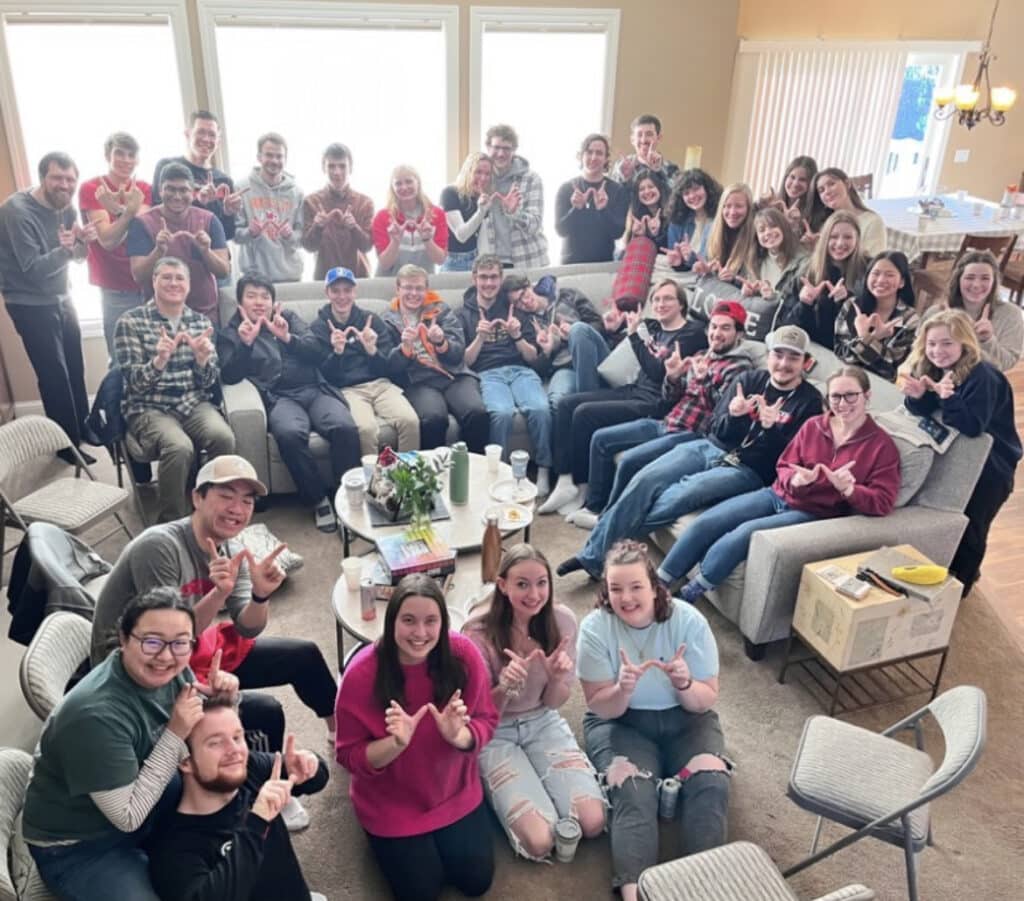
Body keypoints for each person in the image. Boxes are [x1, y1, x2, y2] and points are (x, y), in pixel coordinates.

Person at [91, 454, 339, 829]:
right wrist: (219, 593)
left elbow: (248, 628)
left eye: (247, 500)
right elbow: (169, 638)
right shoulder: (159, 547)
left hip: (189, 649)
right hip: (139, 669)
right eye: (226, 496)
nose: (237, 509)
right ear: (197, 497)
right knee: (265, 712)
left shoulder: (230, 547)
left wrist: (260, 595)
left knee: (303, 656)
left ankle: (340, 735)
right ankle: (266, 791)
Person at [23, 588, 238, 901]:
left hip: (144, 788)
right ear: (123, 639)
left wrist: (225, 701)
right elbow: (128, 817)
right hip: (81, 845)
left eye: (180, 642)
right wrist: (175, 733)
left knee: (236, 802)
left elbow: (199, 732)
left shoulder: (170, 671)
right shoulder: (92, 717)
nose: (166, 657)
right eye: (151, 641)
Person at [560, 324, 822, 578]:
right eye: (778, 354)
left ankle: (599, 551)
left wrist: (770, 428)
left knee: (676, 496)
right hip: (709, 446)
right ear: (769, 355)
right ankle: (593, 556)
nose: (784, 364)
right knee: (645, 479)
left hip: (748, 470)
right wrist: (735, 416)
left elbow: (788, 461)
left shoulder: (809, 402)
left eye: (793, 357)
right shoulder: (749, 380)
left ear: (805, 362)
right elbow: (716, 428)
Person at [578, 540, 731, 901]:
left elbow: (706, 699)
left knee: (711, 782)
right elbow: (600, 706)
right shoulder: (595, 629)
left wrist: (685, 684)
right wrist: (622, 690)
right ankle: (634, 894)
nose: (626, 598)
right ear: (605, 591)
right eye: (616, 588)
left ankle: (703, 891)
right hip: (620, 722)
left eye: (636, 587)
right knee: (632, 790)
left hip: (686, 717)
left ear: (653, 587)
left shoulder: (688, 621)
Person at [661, 365, 900, 596]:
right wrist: (795, 479)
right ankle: (660, 582)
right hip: (777, 493)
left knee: (741, 535)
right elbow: (784, 464)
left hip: (813, 512)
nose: (843, 404)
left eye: (851, 396)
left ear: (867, 395)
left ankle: (691, 592)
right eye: (836, 397)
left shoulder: (882, 446)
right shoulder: (814, 425)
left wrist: (849, 489)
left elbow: (883, 502)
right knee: (706, 522)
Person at [335, 573, 499, 901]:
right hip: (391, 803)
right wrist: (394, 744)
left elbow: (487, 719)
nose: (420, 633)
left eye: (431, 621)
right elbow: (348, 755)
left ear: (443, 622)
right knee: (421, 893)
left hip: (454, 790)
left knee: (477, 881)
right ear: (392, 621)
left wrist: (460, 736)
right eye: (409, 620)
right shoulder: (361, 674)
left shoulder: (463, 654)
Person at [554, 300, 758, 534]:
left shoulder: (741, 369)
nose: (716, 333)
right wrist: (672, 377)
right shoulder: (701, 355)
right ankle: (593, 506)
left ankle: (606, 519)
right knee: (600, 439)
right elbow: (671, 398)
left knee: (630, 461)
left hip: (690, 434)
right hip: (666, 421)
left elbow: (720, 415)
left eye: (725, 328)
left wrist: (706, 381)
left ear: (739, 334)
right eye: (713, 327)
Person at [462, 544, 605, 860]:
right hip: (495, 730)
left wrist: (555, 678)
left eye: (542, 583)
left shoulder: (563, 621)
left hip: (543, 720)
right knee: (539, 841)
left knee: (592, 821)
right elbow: (478, 714)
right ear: (503, 585)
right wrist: (504, 687)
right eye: (522, 584)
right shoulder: (476, 632)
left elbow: (554, 703)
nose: (534, 594)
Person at [539, 279, 708, 516]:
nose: (661, 304)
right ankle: (565, 481)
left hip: (656, 402)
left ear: (681, 304)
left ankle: (584, 489)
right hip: (634, 389)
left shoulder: (691, 333)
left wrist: (635, 335)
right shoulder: (653, 326)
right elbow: (628, 351)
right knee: (566, 404)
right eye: (656, 299)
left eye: (668, 299)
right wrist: (617, 329)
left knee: (584, 413)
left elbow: (657, 372)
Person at [217, 272, 360, 532]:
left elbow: (317, 351)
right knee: (290, 434)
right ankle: (318, 500)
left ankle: (346, 497)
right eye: (251, 296)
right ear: (240, 303)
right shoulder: (232, 332)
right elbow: (229, 375)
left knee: (345, 427)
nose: (259, 302)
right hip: (279, 397)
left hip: (314, 389)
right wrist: (245, 345)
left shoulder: (289, 318)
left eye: (265, 297)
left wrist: (287, 338)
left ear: (272, 301)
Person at [147, 699, 329, 901]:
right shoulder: (174, 847)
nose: (234, 750)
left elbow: (317, 781)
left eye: (237, 737)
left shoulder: (248, 769)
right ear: (184, 761)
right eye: (215, 743)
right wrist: (257, 821)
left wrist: (310, 765)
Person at [900, 309, 1021, 595]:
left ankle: (961, 592)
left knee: (971, 528)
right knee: (952, 525)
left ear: (964, 343)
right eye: (932, 344)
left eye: (947, 343)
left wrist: (948, 397)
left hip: (991, 468)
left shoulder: (984, 376)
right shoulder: (934, 368)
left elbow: (972, 426)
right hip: (959, 462)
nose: (937, 351)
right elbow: (927, 410)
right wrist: (918, 397)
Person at [114, 255, 234, 521]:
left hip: (192, 402)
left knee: (223, 437)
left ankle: (210, 507)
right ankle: (173, 523)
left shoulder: (201, 323)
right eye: (166, 277)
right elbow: (134, 385)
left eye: (180, 278)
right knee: (179, 447)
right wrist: (158, 361)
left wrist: (202, 361)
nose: (173, 283)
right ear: (154, 281)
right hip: (149, 406)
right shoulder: (130, 322)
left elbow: (208, 383)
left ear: (188, 286)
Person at [0, 151, 96, 461]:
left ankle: (83, 426)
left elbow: (77, 257)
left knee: (75, 366)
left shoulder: (66, 206)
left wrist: (83, 243)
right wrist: (67, 250)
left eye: (70, 179)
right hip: (28, 302)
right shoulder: (16, 211)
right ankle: (66, 445)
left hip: (61, 297)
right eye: (57, 178)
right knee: (54, 375)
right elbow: (33, 270)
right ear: (43, 177)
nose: (65, 185)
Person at [459, 254, 552, 492]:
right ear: (474, 278)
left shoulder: (514, 307)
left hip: (521, 370)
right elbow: (465, 362)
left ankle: (543, 470)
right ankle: (497, 474)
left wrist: (517, 336)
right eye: (483, 277)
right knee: (501, 414)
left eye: (493, 277)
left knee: (540, 409)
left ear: (500, 279)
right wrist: (480, 337)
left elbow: (532, 357)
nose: (488, 283)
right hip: (488, 373)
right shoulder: (463, 313)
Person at [311, 265, 419, 456]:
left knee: (410, 421)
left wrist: (372, 350)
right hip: (348, 390)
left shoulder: (371, 320)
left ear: (355, 292)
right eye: (336, 291)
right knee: (366, 430)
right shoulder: (319, 327)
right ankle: (371, 475)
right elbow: (325, 377)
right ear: (327, 292)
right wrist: (337, 353)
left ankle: (407, 473)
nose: (342, 296)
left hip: (381, 384)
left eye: (347, 290)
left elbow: (388, 367)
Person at [381, 263, 489, 452]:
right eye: (408, 288)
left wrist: (441, 343)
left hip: (454, 376)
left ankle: (472, 466)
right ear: (397, 289)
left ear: (426, 290)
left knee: (477, 413)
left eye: (419, 288)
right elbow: (388, 368)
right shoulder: (386, 320)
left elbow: (458, 354)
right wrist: (404, 349)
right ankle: (433, 470)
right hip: (418, 381)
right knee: (433, 419)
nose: (413, 293)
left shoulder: (441, 310)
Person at [126, 163, 230, 324]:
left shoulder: (210, 220)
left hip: (203, 317)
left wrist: (206, 251)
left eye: (183, 190)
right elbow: (138, 276)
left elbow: (223, 271)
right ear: (160, 191)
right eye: (170, 189)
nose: (177, 196)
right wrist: (158, 251)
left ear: (192, 192)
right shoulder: (142, 223)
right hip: (158, 320)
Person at [79, 132, 152, 355]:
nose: (126, 160)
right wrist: (129, 212)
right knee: (121, 357)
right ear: (107, 155)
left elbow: (143, 230)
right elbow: (108, 240)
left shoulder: (143, 188)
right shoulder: (92, 188)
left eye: (131, 155)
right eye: (120, 153)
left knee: (152, 353)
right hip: (115, 287)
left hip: (146, 283)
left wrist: (119, 212)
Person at [504, 271, 606, 408]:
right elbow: (538, 370)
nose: (525, 302)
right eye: (518, 303)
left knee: (578, 330)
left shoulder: (567, 295)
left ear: (529, 286)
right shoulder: (526, 323)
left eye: (523, 294)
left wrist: (571, 334)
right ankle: (588, 407)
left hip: (595, 357)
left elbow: (598, 324)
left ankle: (589, 406)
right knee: (556, 402)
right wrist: (548, 352)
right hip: (566, 368)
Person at [776, 210, 869, 348]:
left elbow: (863, 330)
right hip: (808, 348)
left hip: (843, 352)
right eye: (833, 237)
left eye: (848, 237)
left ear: (857, 239)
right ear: (824, 239)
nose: (840, 243)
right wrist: (804, 304)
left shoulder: (868, 271)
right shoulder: (806, 270)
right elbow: (783, 327)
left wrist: (846, 303)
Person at [153, 110, 243, 242]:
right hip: (177, 249)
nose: (206, 139)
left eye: (212, 135)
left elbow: (228, 235)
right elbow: (157, 216)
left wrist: (228, 213)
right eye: (200, 132)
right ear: (187, 134)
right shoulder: (166, 166)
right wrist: (198, 201)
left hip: (213, 252)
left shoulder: (225, 181)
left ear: (218, 141)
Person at [926, 249, 1023, 371]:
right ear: (958, 280)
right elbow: (917, 356)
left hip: (986, 380)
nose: (976, 285)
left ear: (994, 282)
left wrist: (987, 341)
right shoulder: (935, 313)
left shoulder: (1011, 315)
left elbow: (1007, 363)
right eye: (970, 277)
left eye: (985, 278)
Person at [834, 250, 920, 381]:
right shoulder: (851, 305)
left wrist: (865, 338)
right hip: (845, 377)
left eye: (889, 275)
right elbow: (841, 353)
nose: (880, 280)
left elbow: (890, 368)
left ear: (902, 282)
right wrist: (871, 339)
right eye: (875, 273)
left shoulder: (910, 319)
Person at [233, 133, 304, 283]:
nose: (274, 161)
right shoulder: (241, 188)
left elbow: (302, 238)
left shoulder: (297, 192)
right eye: (269, 155)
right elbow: (235, 235)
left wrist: (290, 235)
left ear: (285, 159)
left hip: (289, 276)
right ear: (259, 157)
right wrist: (250, 232)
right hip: (254, 276)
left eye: (279, 156)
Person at [301, 142, 375, 280]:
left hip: (358, 278)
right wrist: (317, 227)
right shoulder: (311, 201)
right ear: (323, 168)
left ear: (350, 168)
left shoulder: (365, 202)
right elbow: (308, 247)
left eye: (342, 166)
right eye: (331, 166)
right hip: (324, 280)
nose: (337, 172)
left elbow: (367, 247)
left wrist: (354, 228)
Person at [481, 124, 549, 268]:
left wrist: (514, 213)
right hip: (492, 264)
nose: (501, 154)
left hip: (527, 260)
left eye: (506, 148)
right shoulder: (482, 179)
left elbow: (535, 225)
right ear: (488, 147)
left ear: (514, 150)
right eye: (496, 147)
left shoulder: (531, 179)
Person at [554, 133, 627, 264]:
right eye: (589, 152)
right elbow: (560, 230)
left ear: (606, 159)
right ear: (581, 156)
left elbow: (618, 233)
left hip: (603, 265)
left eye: (599, 153)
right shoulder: (566, 188)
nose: (593, 157)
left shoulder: (618, 190)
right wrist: (576, 209)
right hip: (570, 265)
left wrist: (603, 210)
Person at [372, 164, 448, 277]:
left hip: (422, 282)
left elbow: (440, 260)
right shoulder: (382, 217)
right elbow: (385, 264)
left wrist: (427, 240)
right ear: (392, 187)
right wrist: (395, 241)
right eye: (398, 183)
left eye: (409, 181)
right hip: (389, 282)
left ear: (418, 183)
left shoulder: (437, 214)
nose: (404, 187)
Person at [738, 207, 807, 303]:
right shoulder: (754, 262)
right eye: (762, 230)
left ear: (784, 227)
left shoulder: (804, 262)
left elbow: (798, 303)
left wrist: (773, 297)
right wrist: (749, 291)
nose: (768, 232)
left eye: (773, 226)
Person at [809, 168, 885, 254]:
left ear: (847, 184)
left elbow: (873, 259)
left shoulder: (872, 221)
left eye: (831, 184)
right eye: (821, 190)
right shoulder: (825, 225)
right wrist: (815, 249)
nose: (827, 192)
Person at [440, 152, 493, 271]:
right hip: (453, 261)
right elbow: (461, 235)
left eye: (487, 174)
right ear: (468, 172)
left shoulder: (481, 197)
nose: (483, 178)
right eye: (478, 172)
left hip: (475, 259)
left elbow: (482, 239)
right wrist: (481, 211)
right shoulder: (450, 193)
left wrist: (486, 264)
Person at [692, 183, 756, 282]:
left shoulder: (755, 236)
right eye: (727, 206)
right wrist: (704, 269)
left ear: (749, 208)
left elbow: (755, 280)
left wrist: (733, 279)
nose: (732, 212)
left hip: (736, 291)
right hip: (711, 287)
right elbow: (702, 262)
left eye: (739, 206)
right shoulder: (710, 229)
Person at [664, 168, 722, 270]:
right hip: (684, 274)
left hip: (711, 274)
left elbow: (715, 261)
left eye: (696, 189)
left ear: (707, 189)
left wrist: (692, 257)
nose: (692, 196)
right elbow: (676, 262)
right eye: (686, 193)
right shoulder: (677, 221)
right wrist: (677, 263)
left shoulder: (721, 218)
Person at [609, 113, 680, 187]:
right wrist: (625, 179)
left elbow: (675, 193)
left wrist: (658, 172)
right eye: (639, 135)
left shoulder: (671, 168)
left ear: (659, 138)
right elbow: (613, 193)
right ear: (632, 140)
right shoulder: (621, 166)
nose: (643, 140)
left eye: (649, 134)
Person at [757, 155, 818, 236]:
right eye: (792, 177)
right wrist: (759, 207)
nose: (795, 184)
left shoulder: (816, 215)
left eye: (802, 180)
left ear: (811, 184)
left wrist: (794, 226)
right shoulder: (773, 202)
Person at [621, 171, 671, 252]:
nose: (647, 192)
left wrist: (656, 234)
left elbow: (669, 248)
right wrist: (637, 236)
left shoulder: (671, 214)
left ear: (660, 188)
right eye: (641, 189)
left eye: (651, 187)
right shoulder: (636, 216)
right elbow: (629, 251)